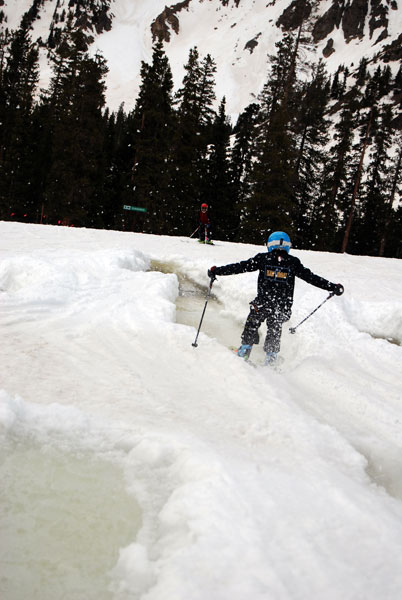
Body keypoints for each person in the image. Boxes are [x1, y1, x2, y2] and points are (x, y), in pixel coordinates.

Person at [207, 231, 344, 365]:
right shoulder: (293, 262)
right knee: (275, 328)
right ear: (287, 246)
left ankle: (244, 351)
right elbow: (311, 278)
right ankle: (271, 358)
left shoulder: (263, 258)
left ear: (270, 244)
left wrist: (217, 271)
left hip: (262, 303)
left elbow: (240, 267)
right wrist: (331, 286)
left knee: (252, 324)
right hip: (282, 306)